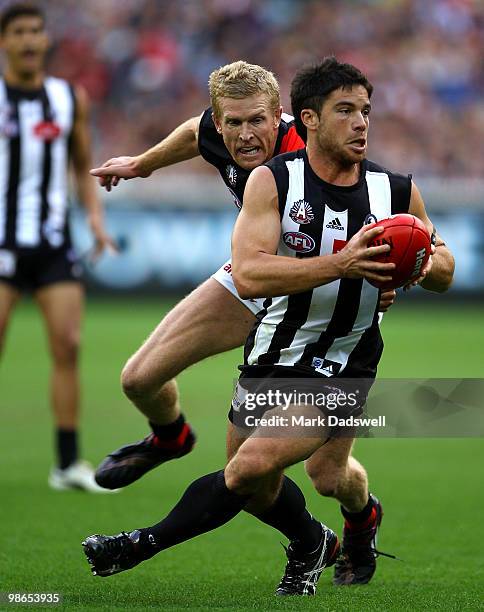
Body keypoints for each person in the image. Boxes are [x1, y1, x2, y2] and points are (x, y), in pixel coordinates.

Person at [82, 58, 454, 594]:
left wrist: (400, 270)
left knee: (321, 476)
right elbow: (196, 134)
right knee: (141, 381)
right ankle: (172, 438)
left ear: (286, 117)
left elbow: (421, 255)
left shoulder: (323, 159)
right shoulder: (235, 142)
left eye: (256, 121)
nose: (242, 134)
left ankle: (356, 518)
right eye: (231, 123)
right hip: (268, 293)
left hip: (330, 327)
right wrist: (143, 164)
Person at [0, 4, 116, 491]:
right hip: (2, 242)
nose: (29, 40)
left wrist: (94, 216)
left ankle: (67, 464)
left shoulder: (69, 98)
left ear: (46, 41)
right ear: (5, 41)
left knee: (68, 346)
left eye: (36, 32)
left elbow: (81, 163)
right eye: (19, 32)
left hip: (52, 242)